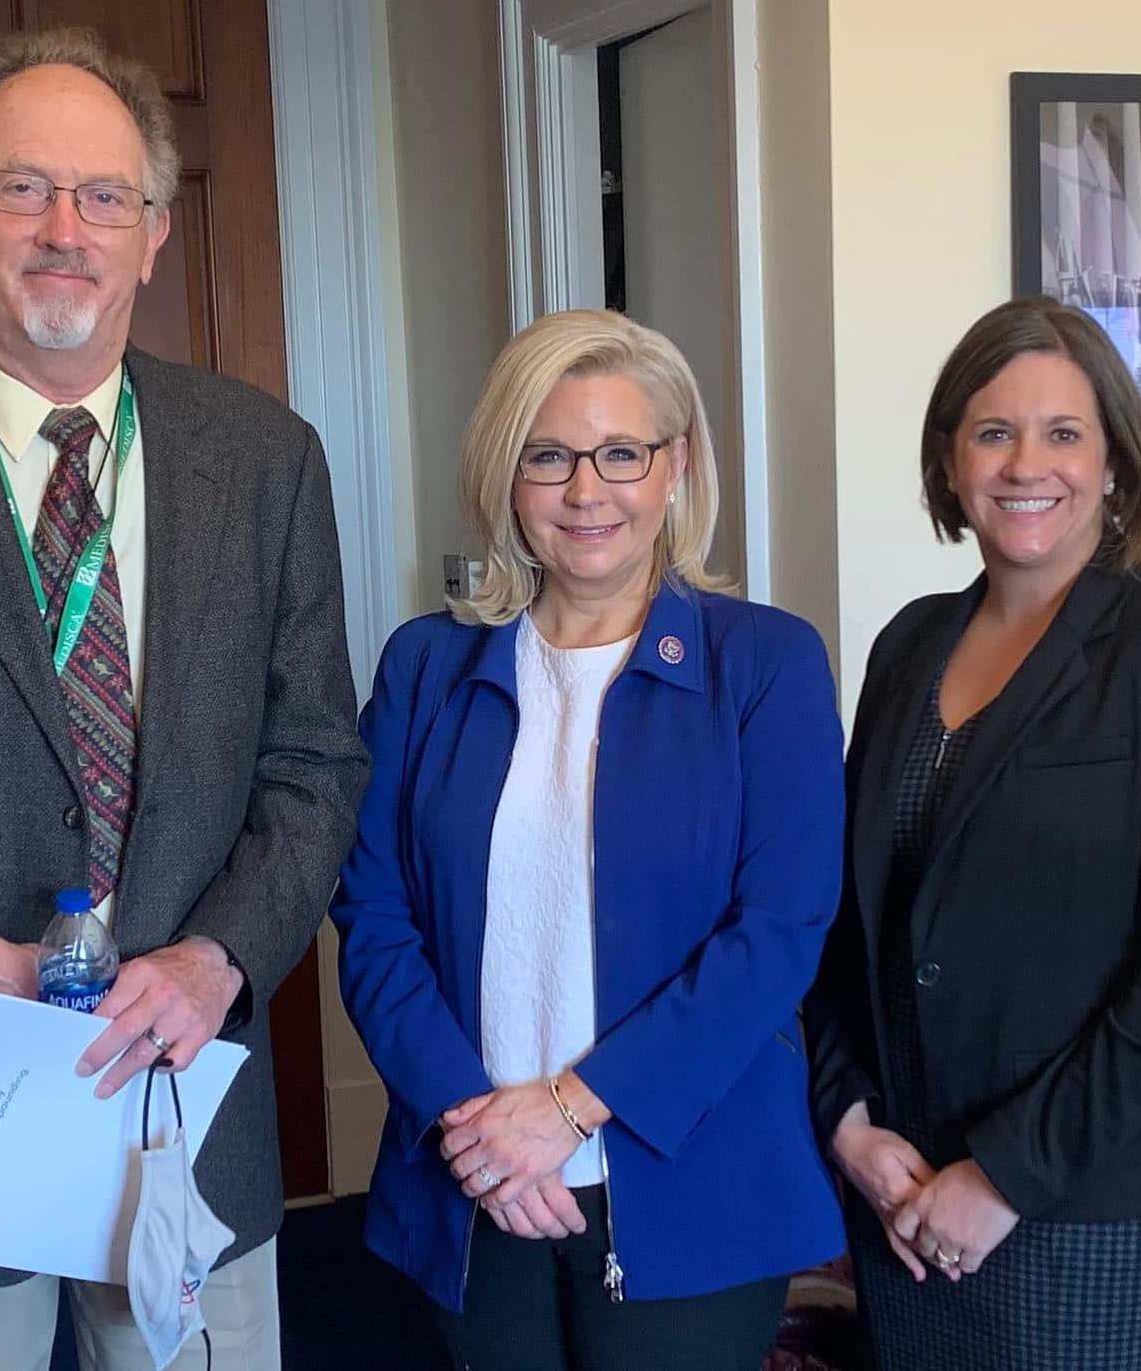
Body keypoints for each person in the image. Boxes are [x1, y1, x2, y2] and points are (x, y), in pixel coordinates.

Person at [0, 27, 367, 1369]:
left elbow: (315, 762)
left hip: (180, 1092)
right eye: (23, 189)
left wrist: (216, 957)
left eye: (105, 195)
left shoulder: (266, 459)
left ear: (156, 233)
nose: (67, 229)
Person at [332, 309, 846, 1371]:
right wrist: (477, 1129)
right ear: (503, 475)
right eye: (548, 456)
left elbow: (780, 931)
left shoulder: (765, 664)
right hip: (475, 1182)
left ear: (676, 466)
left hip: (691, 1185)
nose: (585, 490)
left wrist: (568, 1110)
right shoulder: (427, 667)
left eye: (621, 452)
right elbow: (372, 914)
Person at [804, 295, 1141, 1370]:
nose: (1024, 465)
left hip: (1101, 1200)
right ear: (950, 461)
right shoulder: (909, 646)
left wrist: (1003, 1174)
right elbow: (845, 921)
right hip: (905, 1190)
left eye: (1063, 434)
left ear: (1114, 466)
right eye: (993, 432)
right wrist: (847, 1121)